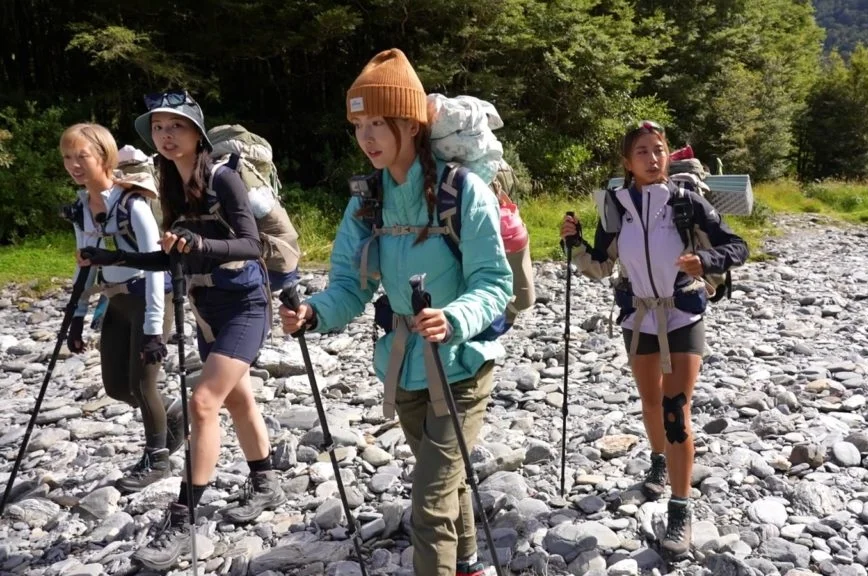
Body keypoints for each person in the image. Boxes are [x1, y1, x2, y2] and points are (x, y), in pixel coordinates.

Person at [277, 49, 512, 576]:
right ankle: (472, 564)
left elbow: (494, 283)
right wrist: (314, 313)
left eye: (379, 123)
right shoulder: (367, 201)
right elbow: (348, 285)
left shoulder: (461, 191)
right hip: (402, 366)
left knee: (428, 504)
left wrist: (454, 318)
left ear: (411, 123)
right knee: (446, 481)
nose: (367, 137)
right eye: (359, 125)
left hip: (463, 364)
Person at [80, 91, 284, 571]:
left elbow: (250, 244)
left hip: (245, 304)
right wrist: (116, 258)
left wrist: (198, 241)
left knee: (202, 403)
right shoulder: (170, 182)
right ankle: (266, 481)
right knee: (238, 399)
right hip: (206, 306)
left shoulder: (224, 178)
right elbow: (171, 254)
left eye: (176, 127)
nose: (166, 136)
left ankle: (184, 517)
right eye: (158, 129)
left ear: (197, 132)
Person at [559, 120, 748, 558]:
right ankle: (658, 461)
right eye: (642, 151)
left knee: (675, 409)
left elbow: (737, 246)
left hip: (683, 313)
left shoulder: (688, 204)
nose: (652, 157)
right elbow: (602, 266)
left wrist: (705, 258)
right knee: (649, 401)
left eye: (658, 149)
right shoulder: (617, 206)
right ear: (628, 162)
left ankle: (680, 511)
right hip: (637, 316)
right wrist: (576, 243)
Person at [60, 122, 183, 493]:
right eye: (68, 157)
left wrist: (151, 331)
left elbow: (155, 266)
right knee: (116, 387)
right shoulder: (82, 208)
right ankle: (174, 413)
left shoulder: (133, 204)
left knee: (142, 384)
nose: (74, 165)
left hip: (150, 298)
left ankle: (156, 459)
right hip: (115, 300)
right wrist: (76, 320)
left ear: (104, 156)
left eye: (82, 155)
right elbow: (85, 264)